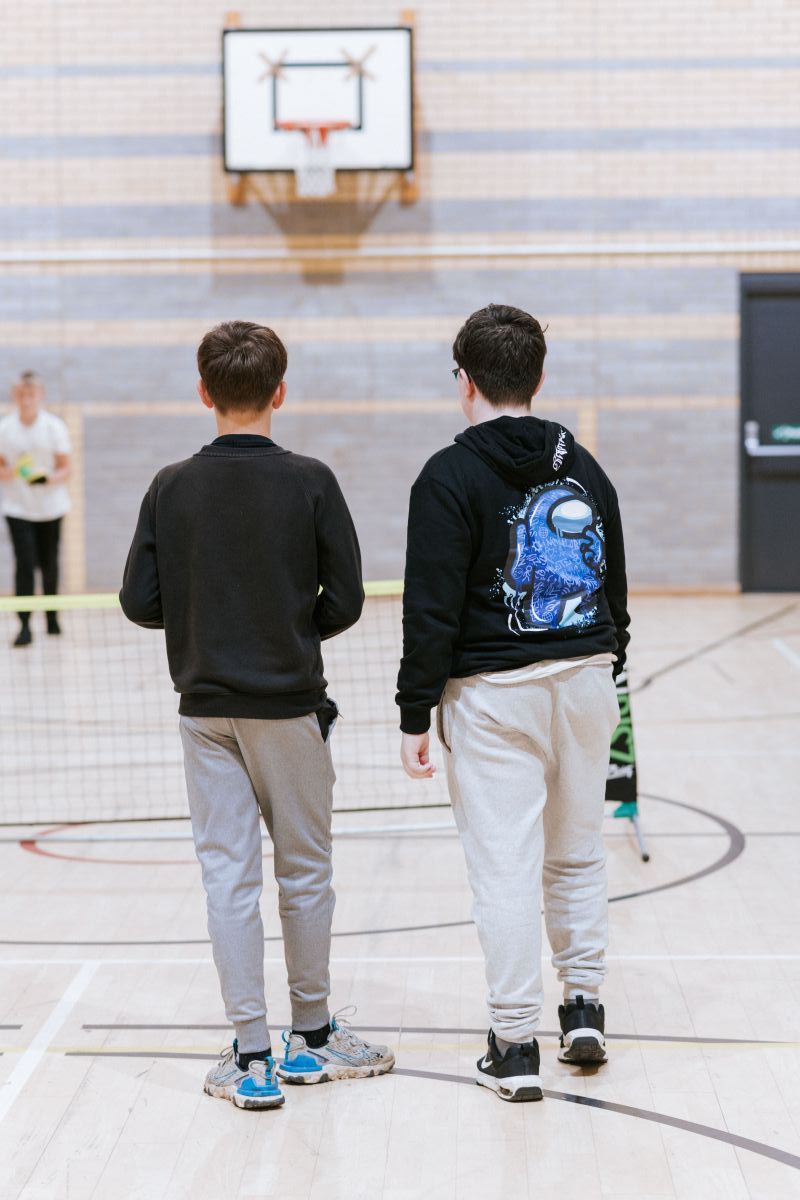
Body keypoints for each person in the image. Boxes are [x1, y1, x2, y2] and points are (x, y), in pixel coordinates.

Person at [120, 321, 394, 1111]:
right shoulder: (311, 480)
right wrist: (286, 626)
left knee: (227, 880)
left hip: (205, 712)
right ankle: (310, 1038)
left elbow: (140, 601)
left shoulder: (170, 485)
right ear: (280, 391)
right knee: (305, 873)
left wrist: (208, 617)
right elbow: (344, 598)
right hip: (290, 709)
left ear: (203, 392)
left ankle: (249, 1056)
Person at [396, 304, 630, 1103]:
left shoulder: (447, 475)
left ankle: (513, 1041)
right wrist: (610, 664)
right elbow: (615, 582)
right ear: (539, 374)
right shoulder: (584, 467)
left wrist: (412, 712)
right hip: (589, 678)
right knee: (577, 852)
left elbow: (428, 609)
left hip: (496, 694)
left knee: (505, 868)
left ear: (465, 380)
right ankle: (585, 1007)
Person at [0, 371, 71, 646]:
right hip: (18, 508)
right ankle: (24, 625)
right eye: (21, 395)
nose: (26, 400)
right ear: (14, 396)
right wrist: (15, 472)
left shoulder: (54, 427)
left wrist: (45, 479)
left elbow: (66, 468)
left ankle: (52, 618)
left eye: (31, 395)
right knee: (25, 564)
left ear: (39, 396)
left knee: (50, 564)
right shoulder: (5, 429)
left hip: (51, 507)